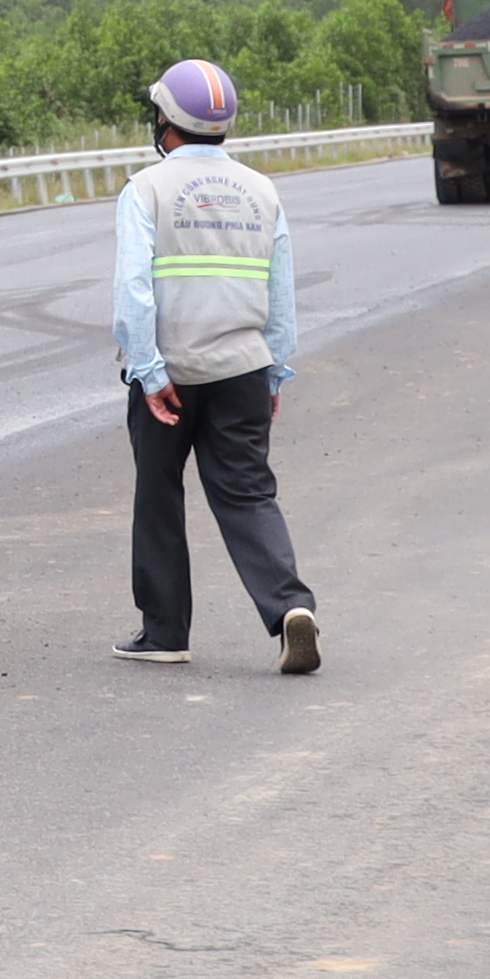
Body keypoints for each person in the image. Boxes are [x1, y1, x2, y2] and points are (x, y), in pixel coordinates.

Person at [110, 58, 319, 675]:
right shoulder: (262, 191)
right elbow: (281, 292)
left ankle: (166, 631)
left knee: (159, 495)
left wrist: (148, 373)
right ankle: (288, 608)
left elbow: (133, 290)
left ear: (165, 122)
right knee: (248, 493)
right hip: (243, 369)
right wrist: (274, 369)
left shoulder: (145, 189)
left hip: (170, 374)